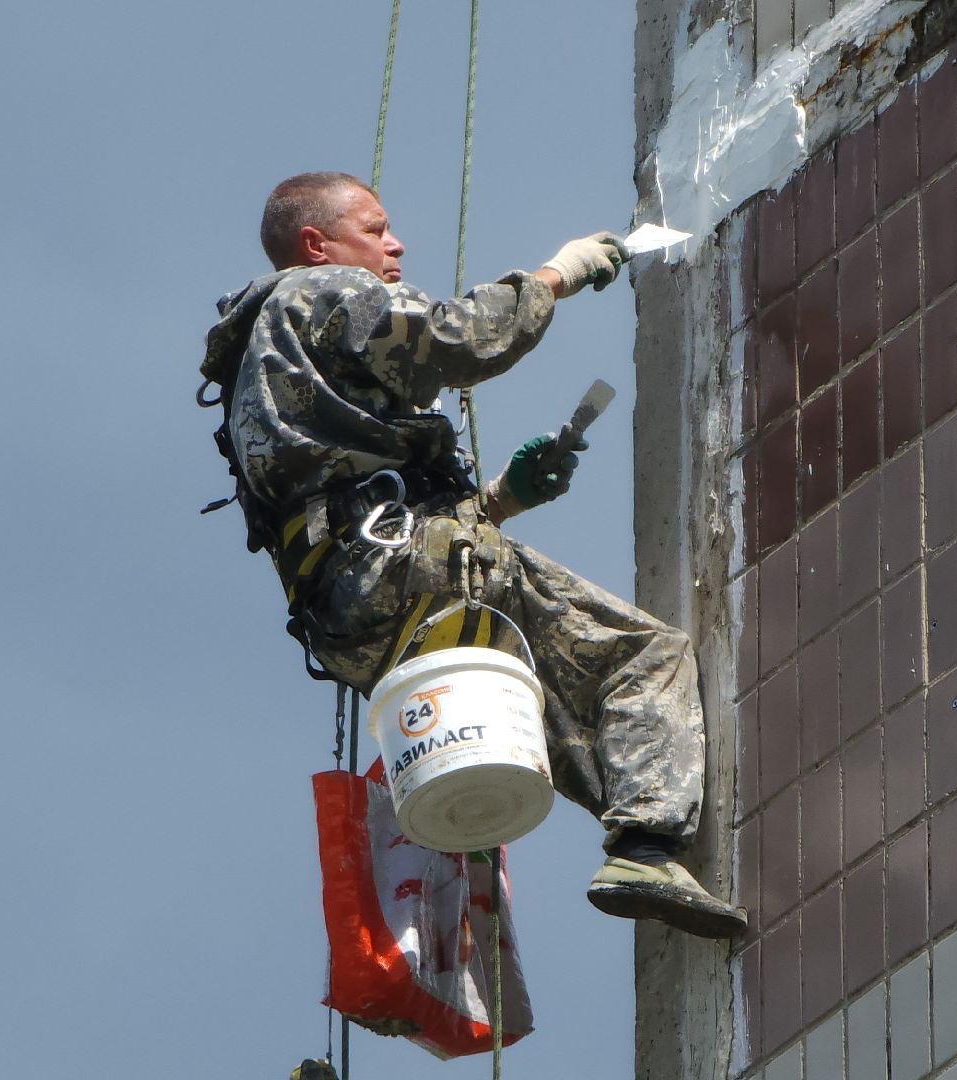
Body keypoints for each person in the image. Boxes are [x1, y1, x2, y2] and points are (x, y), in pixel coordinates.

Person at [197, 171, 745, 940]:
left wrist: (501, 499)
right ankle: (648, 840)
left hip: (355, 615)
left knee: (549, 707)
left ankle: (643, 846)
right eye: (375, 228)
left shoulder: (265, 362)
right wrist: (558, 274)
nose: (395, 244)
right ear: (317, 245)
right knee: (643, 658)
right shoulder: (313, 294)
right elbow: (459, 338)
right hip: (407, 568)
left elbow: (350, 497)